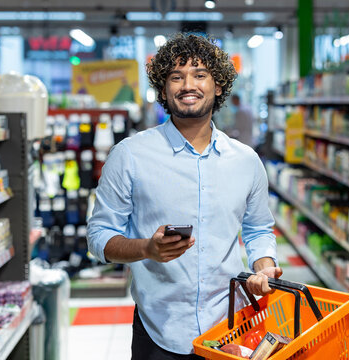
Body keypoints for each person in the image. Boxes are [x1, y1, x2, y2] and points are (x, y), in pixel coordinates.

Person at [87, 33, 281, 359]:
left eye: (199, 75)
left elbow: (259, 229)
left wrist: (264, 266)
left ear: (218, 85)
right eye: (176, 77)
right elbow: (98, 236)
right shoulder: (129, 155)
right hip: (158, 329)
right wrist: (147, 248)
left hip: (231, 327)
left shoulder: (246, 161)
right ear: (163, 89)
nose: (187, 85)